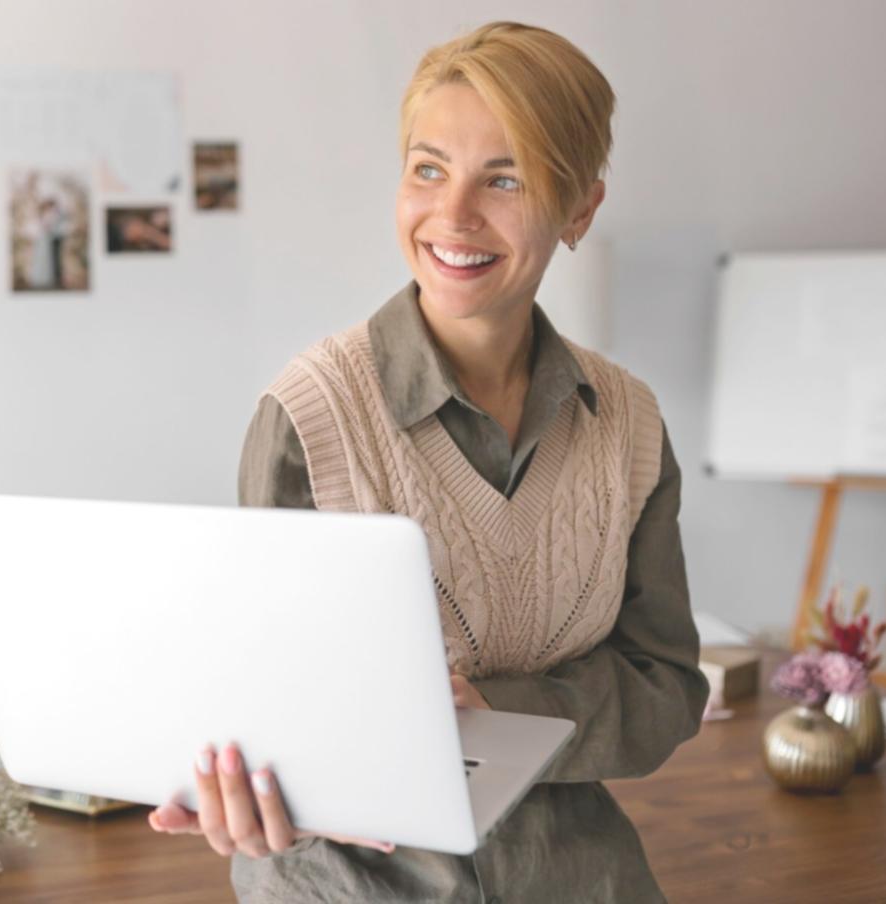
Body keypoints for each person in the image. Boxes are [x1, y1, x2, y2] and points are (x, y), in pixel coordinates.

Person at [148, 21, 707, 903]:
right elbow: (265, 703)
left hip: (577, 878)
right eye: (427, 168)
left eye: (505, 178)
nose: (452, 217)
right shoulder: (309, 417)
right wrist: (243, 787)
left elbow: (664, 683)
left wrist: (501, 716)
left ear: (579, 210)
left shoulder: (627, 425)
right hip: (347, 881)